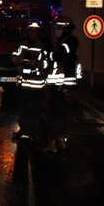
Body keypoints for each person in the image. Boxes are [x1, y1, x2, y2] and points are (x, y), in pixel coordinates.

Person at [43, 16, 80, 152]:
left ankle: (56, 141)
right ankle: (58, 140)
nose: (56, 31)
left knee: (57, 112)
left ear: (65, 28)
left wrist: (51, 55)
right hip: (60, 84)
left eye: (58, 28)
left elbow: (60, 56)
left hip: (62, 85)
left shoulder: (70, 41)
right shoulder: (65, 40)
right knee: (57, 112)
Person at [11, 20, 51, 143]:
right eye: (31, 30)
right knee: (22, 108)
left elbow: (48, 62)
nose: (33, 32)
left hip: (36, 84)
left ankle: (35, 131)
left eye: (35, 30)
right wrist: (19, 59)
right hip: (23, 84)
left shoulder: (44, 45)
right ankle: (23, 129)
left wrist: (37, 63)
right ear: (28, 31)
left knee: (35, 109)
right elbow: (13, 57)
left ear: (39, 31)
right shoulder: (22, 43)